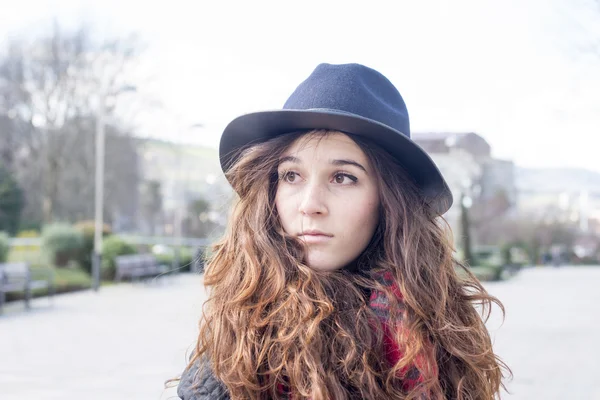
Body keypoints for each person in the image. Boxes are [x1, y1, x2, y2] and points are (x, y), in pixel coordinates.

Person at [175, 63, 510, 399]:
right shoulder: (233, 340)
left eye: (343, 178)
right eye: (292, 176)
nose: (310, 204)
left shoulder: (444, 340)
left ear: (389, 201)